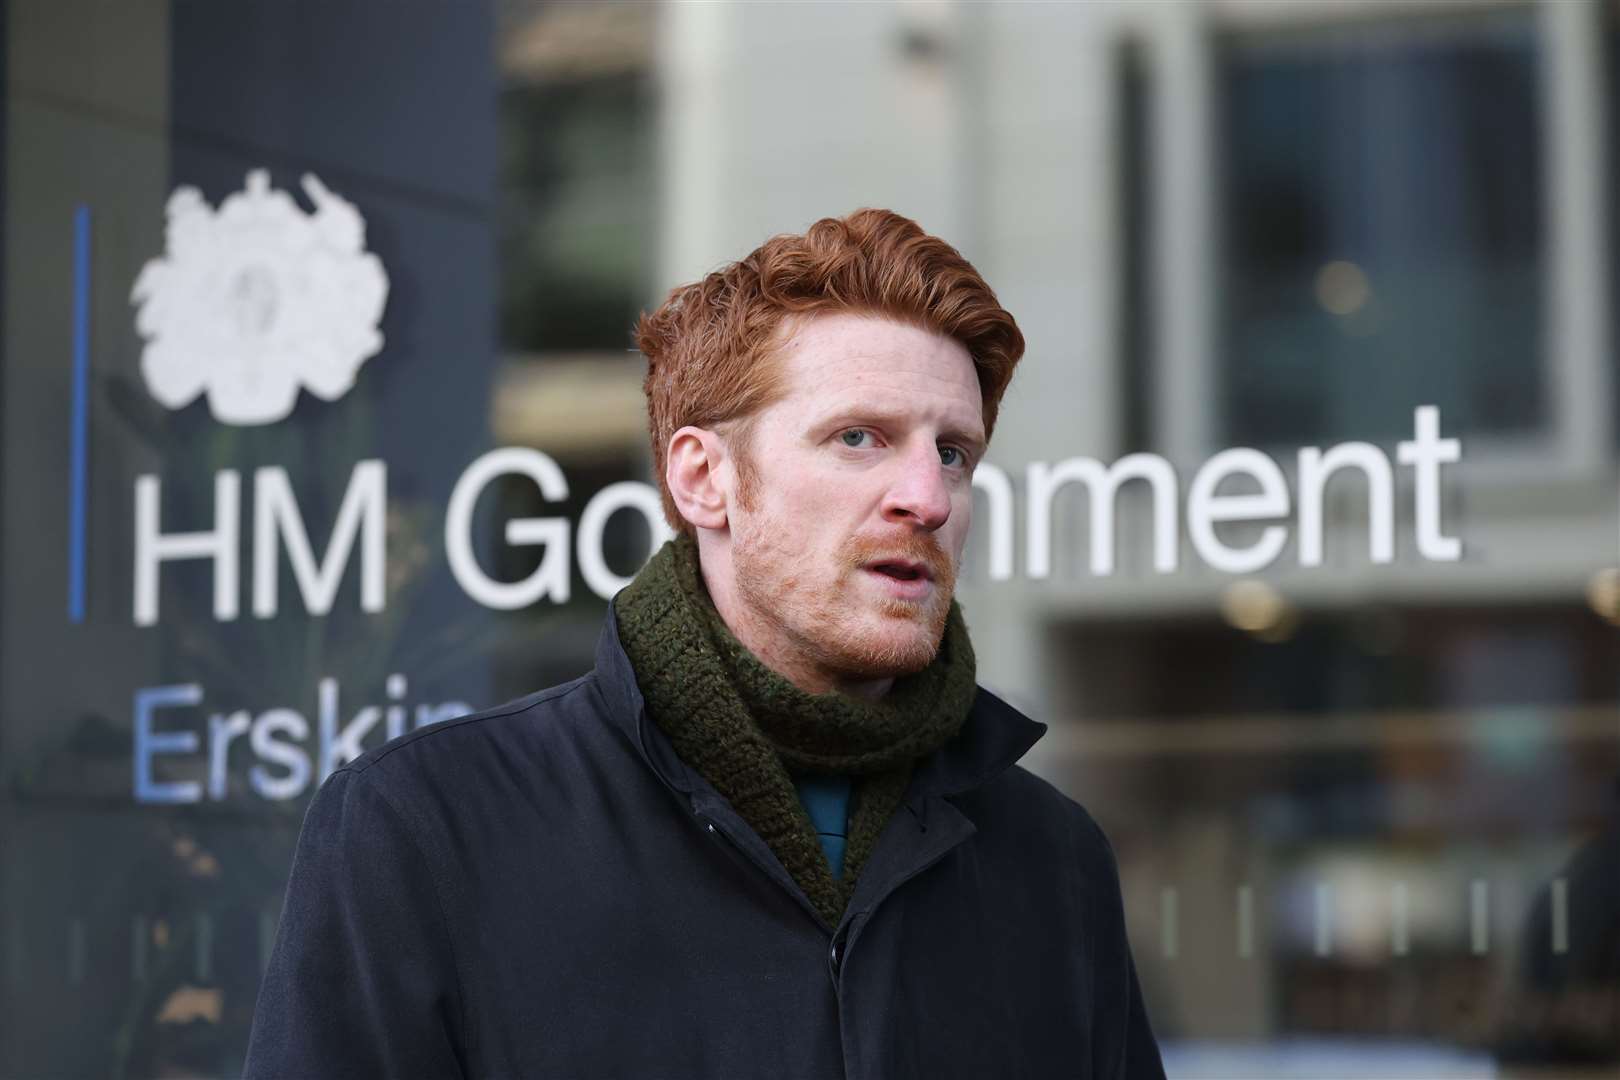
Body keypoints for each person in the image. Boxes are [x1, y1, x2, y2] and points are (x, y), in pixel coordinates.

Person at [243, 209, 1166, 1079]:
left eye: (954, 452)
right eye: (859, 438)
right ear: (703, 478)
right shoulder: (427, 827)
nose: (927, 497)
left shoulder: (1051, 862)